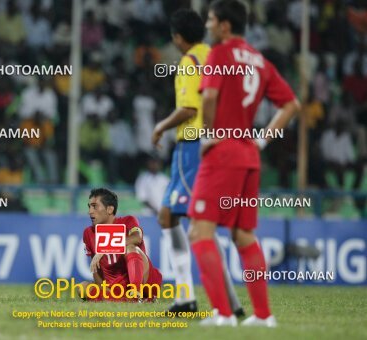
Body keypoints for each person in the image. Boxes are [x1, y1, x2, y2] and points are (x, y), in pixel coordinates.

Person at [187, 0, 300, 326]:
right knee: (243, 236)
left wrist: (209, 134)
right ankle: (263, 316)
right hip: (249, 156)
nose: (207, 25)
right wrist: (262, 140)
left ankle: (222, 314)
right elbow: (291, 105)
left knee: (199, 231)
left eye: (210, 20)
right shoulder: (259, 61)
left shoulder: (220, 54)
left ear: (224, 25)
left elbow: (208, 97)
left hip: (222, 153)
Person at [151, 8, 243, 315]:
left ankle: (225, 302)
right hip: (214, 144)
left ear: (178, 38)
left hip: (191, 147)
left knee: (195, 224)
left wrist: (161, 126)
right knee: (168, 216)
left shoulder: (189, 62)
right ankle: (187, 297)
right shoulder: (215, 55)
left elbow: (189, 109)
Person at [81, 188, 162, 301]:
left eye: (94, 206)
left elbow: (137, 238)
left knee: (130, 248)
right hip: (115, 286)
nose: (90, 211)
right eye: (89, 206)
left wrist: (106, 248)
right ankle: (130, 301)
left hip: (143, 281)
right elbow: (96, 268)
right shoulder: (88, 233)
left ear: (110, 209)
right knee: (82, 288)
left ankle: (136, 294)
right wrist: (102, 290)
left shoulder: (128, 221)